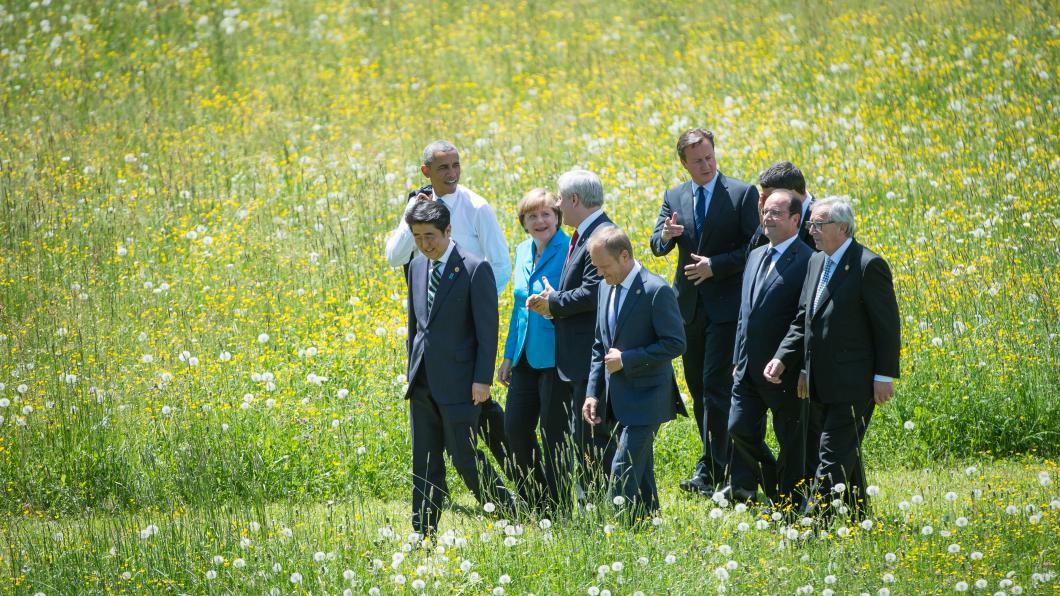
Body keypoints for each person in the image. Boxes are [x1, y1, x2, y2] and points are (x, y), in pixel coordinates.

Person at [764, 196, 901, 518]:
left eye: (818, 224)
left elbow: (887, 326)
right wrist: (785, 358)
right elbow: (804, 319)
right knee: (844, 450)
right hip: (820, 381)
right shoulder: (816, 261)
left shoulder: (869, 265)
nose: (811, 230)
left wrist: (884, 376)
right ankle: (858, 517)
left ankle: (813, 526)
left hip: (854, 383)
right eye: (810, 223)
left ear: (842, 227)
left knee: (831, 456)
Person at [384, 140, 511, 476]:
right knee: (460, 436)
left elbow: (499, 264)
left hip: (467, 334)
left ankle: (531, 489)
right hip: (433, 337)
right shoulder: (417, 212)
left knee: (484, 429)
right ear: (426, 171)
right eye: (443, 168)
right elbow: (395, 256)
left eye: (456, 165)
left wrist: (474, 307)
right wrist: (410, 212)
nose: (452, 173)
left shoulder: (477, 207)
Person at [649, 128, 760, 496]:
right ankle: (714, 462)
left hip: (727, 307)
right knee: (698, 389)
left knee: (716, 388)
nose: (706, 165)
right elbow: (656, 246)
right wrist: (666, 235)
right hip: (689, 308)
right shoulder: (674, 196)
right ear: (684, 163)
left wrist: (717, 265)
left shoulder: (742, 194)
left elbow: (755, 248)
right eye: (697, 161)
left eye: (710, 157)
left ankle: (718, 468)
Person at [403, 200, 513, 536]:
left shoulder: (474, 268)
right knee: (424, 462)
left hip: (461, 384)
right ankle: (423, 532)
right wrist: (411, 371)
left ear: (448, 230)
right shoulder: (417, 267)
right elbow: (415, 326)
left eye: (431, 236)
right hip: (422, 382)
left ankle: (508, 512)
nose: (425, 243)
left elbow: (486, 330)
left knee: (464, 458)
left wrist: (482, 380)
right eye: (418, 236)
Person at [583, 227, 687, 519]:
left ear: (625, 256)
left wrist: (627, 359)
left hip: (648, 396)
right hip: (618, 397)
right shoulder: (605, 287)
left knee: (623, 466)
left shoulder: (656, 291)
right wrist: (593, 393)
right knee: (640, 468)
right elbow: (598, 345)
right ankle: (648, 520)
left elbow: (675, 343)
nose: (600, 274)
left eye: (604, 267)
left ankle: (614, 533)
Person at [526, 168, 614, 505]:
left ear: (574, 199)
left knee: (593, 437)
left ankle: (603, 504)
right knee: (582, 436)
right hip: (575, 353)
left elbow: (593, 292)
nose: (558, 204)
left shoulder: (600, 234)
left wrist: (554, 303)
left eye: (560, 199)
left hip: (587, 352)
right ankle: (593, 502)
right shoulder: (584, 233)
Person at [728, 189, 815, 511]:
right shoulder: (755, 255)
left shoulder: (808, 260)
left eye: (777, 213)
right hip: (748, 367)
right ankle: (778, 488)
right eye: (766, 211)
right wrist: (738, 358)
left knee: (791, 441)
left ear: (795, 219)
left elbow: (804, 319)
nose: (768, 217)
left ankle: (791, 506)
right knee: (738, 428)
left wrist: (792, 362)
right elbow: (744, 314)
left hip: (785, 371)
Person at [497, 189, 571, 512]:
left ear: (557, 217)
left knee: (555, 434)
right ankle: (539, 501)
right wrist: (508, 356)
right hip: (525, 356)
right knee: (514, 428)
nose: (540, 221)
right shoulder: (523, 251)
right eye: (532, 216)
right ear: (523, 223)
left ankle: (562, 506)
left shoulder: (570, 249)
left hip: (557, 356)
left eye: (546, 214)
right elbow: (517, 309)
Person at [747, 161, 817, 253]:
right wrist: (764, 226)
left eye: (772, 196)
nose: (766, 202)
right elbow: (752, 258)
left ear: (792, 191)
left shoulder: (820, 219)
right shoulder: (768, 213)